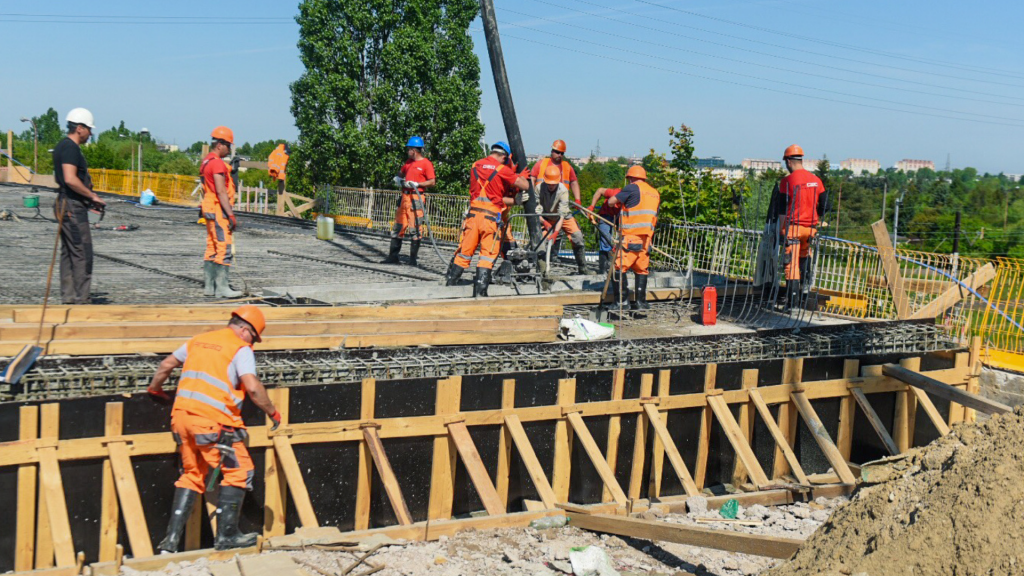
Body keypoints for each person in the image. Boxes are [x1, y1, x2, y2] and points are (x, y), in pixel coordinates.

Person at [147, 305, 281, 552]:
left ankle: (171, 542)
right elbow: (252, 387)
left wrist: (155, 390)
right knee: (240, 472)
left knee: (192, 475)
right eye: (254, 338)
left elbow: (166, 365)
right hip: (213, 422)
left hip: (181, 419)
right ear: (245, 330)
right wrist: (272, 411)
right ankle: (227, 536)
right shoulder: (240, 348)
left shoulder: (199, 340)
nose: (253, 344)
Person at [445, 141, 528, 296]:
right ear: (503, 156)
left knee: (464, 253)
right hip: (490, 220)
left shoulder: (475, 165)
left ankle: (449, 286)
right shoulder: (502, 169)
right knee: (486, 257)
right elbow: (525, 186)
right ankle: (480, 293)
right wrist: (519, 176)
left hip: (473, 217)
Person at [52, 108, 105, 305]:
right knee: (82, 252)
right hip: (71, 206)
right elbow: (70, 179)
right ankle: (80, 300)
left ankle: (69, 298)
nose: (90, 134)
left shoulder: (63, 146)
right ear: (80, 128)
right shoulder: (70, 148)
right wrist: (93, 196)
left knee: (69, 252)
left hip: (66, 204)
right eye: (89, 130)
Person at [775, 144, 827, 309]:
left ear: (789, 161)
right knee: (804, 260)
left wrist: (782, 230)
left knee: (791, 266)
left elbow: (782, 209)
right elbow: (825, 206)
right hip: (810, 230)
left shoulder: (787, 181)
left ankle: (792, 304)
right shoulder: (816, 180)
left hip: (793, 228)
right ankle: (805, 298)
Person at [602, 165, 660, 312]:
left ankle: (621, 302)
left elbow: (610, 202)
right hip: (646, 238)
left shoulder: (632, 188)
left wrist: (619, 202)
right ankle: (641, 302)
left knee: (618, 267)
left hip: (630, 236)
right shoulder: (654, 193)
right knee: (641, 269)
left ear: (631, 178)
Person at [530, 139, 587, 273]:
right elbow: (532, 178)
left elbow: (573, 182)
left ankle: (583, 268)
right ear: (552, 151)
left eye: (561, 153)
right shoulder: (541, 165)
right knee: (541, 243)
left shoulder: (566, 169)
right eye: (557, 152)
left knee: (577, 237)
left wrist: (577, 200)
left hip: (562, 210)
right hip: (544, 212)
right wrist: (532, 197)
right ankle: (542, 270)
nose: (559, 155)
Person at [200, 127, 243, 298]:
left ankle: (209, 287)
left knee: (212, 245)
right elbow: (221, 191)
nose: (229, 150)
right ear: (220, 144)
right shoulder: (217, 163)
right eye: (228, 146)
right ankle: (222, 288)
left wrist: (231, 170)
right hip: (218, 209)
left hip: (208, 207)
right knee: (224, 247)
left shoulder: (206, 161)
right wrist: (230, 215)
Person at [384, 136, 436, 266]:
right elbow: (400, 174)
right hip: (404, 198)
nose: (407, 151)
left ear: (414, 150)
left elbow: (432, 181)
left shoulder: (426, 164)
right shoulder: (408, 163)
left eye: (409, 149)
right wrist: (397, 178)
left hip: (416, 198)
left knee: (416, 228)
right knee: (398, 226)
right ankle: (393, 256)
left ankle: (413, 259)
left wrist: (417, 184)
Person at [588, 187, 622, 275]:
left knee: (622, 241)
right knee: (605, 239)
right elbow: (599, 190)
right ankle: (603, 268)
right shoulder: (614, 193)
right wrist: (592, 206)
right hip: (605, 216)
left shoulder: (627, 200)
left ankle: (615, 265)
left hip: (620, 216)